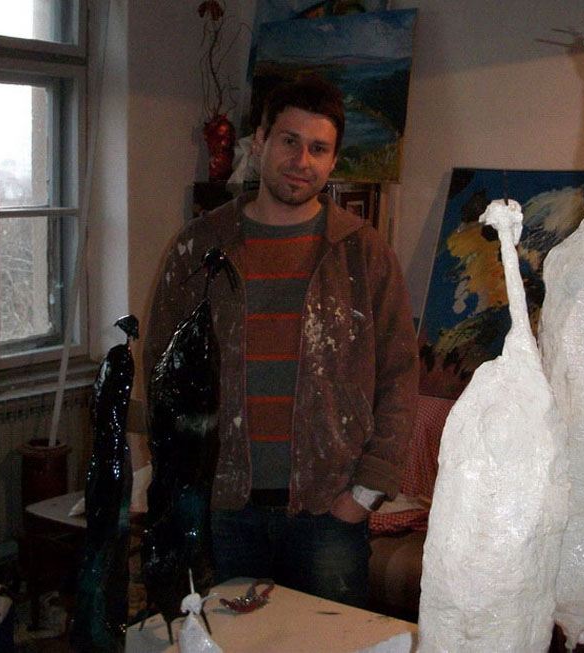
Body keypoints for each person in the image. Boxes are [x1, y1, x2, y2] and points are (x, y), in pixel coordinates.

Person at [143, 75, 419, 608]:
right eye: (289, 141)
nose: (302, 161)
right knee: (234, 642)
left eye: (319, 148)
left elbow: (400, 377)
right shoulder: (200, 247)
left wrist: (364, 493)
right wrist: (184, 481)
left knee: (328, 643)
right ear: (261, 141)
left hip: (329, 514)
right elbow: (163, 373)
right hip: (223, 510)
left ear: (333, 161)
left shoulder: (362, 253)